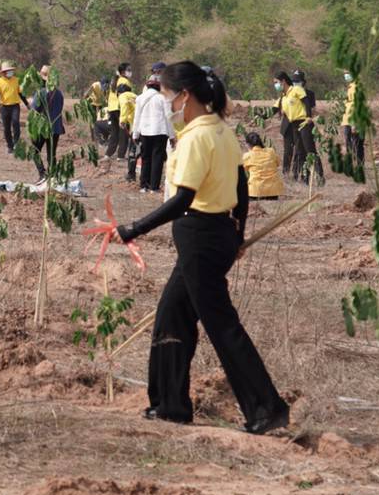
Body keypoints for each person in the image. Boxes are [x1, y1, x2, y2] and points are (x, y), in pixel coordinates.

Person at [116, 61, 289, 434]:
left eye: (167, 95)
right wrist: (237, 234)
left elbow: (182, 199)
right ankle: (170, 405)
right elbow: (241, 189)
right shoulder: (221, 131)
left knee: (222, 324)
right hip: (217, 234)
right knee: (171, 316)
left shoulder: (197, 138)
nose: (166, 103)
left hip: (200, 236)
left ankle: (266, 408)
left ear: (185, 95)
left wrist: (134, 228)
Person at [131, 74, 174, 192]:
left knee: (146, 158)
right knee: (157, 159)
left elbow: (137, 118)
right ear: (159, 86)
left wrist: (135, 134)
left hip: (144, 132)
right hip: (160, 132)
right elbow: (168, 118)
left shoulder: (140, 98)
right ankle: (154, 187)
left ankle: (143, 186)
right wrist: (172, 136)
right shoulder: (163, 98)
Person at [28, 64, 64, 181]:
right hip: (56, 127)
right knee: (51, 154)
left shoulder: (40, 92)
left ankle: (42, 174)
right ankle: (52, 176)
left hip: (42, 128)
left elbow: (34, 110)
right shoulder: (59, 94)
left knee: (34, 151)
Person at [242, 132, 284, 200]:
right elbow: (278, 163)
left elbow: (243, 170)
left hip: (255, 191)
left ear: (248, 144)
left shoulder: (248, 156)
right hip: (273, 191)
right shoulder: (271, 151)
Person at [104, 63, 134, 157]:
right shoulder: (124, 81)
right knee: (123, 133)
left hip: (111, 109)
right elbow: (124, 97)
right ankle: (120, 156)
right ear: (123, 72)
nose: (130, 72)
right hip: (120, 108)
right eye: (128, 70)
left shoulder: (114, 80)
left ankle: (108, 154)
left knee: (114, 133)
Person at [0, 61, 22, 154]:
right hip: (4, 107)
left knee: (16, 122)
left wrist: (27, 104)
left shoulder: (16, 80)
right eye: (8, 71)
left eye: (11, 71)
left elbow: (20, 93)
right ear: (3, 72)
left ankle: (16, 143)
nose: (10, 72)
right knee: (6, 127)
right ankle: (10, 146)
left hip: (15, 106)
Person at [340, 70, 364, 169]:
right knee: (349, 143)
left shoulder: (357, 87)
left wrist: (355, 123)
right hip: (347, 120)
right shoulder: (350, 87)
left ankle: (359, 165)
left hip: (355, 120)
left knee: (357, 144)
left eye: (347, 73)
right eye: (345, 74)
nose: (346, 75)